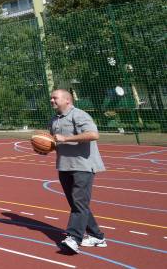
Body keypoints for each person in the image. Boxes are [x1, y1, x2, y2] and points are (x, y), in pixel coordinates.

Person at [49, 89, 107, 254]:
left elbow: (93, 134)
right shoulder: (54, 120)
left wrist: (66, 139)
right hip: (64, 166)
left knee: (79, 203)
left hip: (83, 166)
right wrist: (45, 148)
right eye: (51, 98)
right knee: (77, 204)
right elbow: (54, 142)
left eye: (55, 98)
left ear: (67, 100)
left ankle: (74, 238)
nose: (52, 100)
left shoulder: (79, 115)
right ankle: (97, 236)